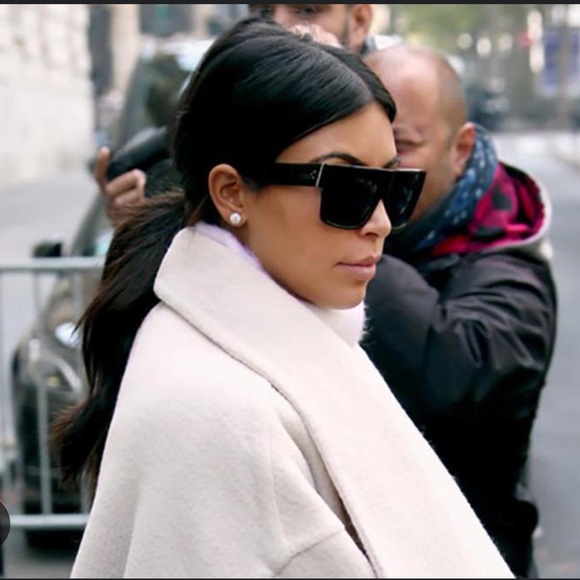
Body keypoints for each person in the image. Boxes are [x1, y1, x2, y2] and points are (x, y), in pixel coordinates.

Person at [53, 16, 514, 578]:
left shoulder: (270, 339)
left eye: (395, 186)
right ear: (232, 193)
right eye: (346, 187)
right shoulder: (225, 415)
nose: (379, 222)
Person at [362, 43, 557, 578]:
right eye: (362, 149)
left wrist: (352, 238)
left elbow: (462, 369)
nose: (380, 171)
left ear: (462, 148)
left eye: (401, 146)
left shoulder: (509, 260)